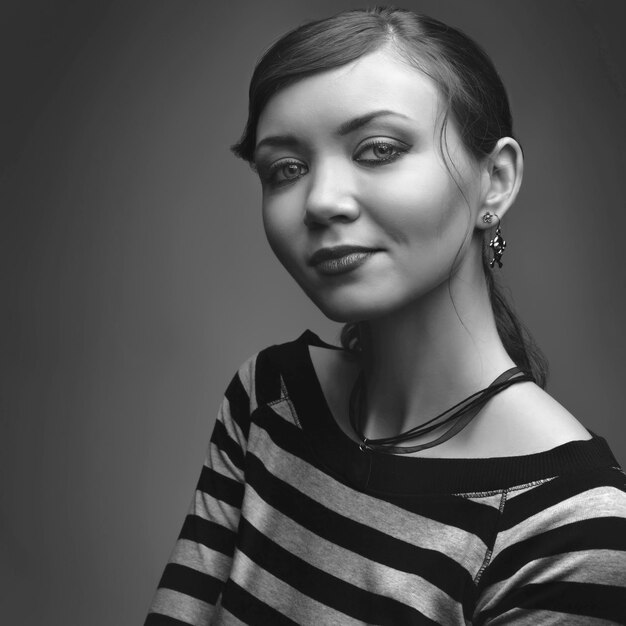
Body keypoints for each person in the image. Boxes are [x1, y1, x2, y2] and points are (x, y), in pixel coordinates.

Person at [145, 7, 626, 625]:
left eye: (378, 150)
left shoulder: (574, 525)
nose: (320, 201)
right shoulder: (268, 402)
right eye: (285, 169)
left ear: (496, 181)